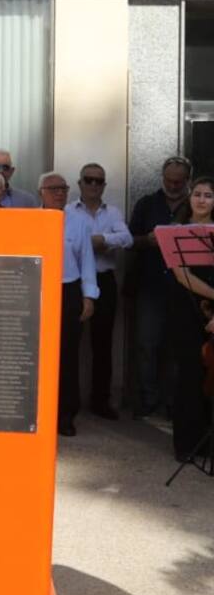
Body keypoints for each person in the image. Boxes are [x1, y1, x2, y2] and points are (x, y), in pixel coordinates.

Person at [129, 155, 192, 420]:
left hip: (186, 288)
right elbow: (129, 240)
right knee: (147, 345)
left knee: (179, 347)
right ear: (162, 178)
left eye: (179, 181)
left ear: (187, 180)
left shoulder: (195, 205)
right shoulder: (146, 204)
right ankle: (149, 400)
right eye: (169, 180)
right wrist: (148, 240)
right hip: (151, 285)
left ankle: (173, 402)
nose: (174, 185)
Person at [67, 163, 131, 420]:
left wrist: (101, 240)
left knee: (103, 344)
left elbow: (126, 239)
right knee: (69, 344)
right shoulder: (68, 211)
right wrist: (92, 243)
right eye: (88, 180)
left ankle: (100, 401)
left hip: (104, 281)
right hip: (75, 282)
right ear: (79, 183)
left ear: (104, 185)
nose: (93, 185)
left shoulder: (113, 212)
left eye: (98, 181)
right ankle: (66, 402)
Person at [40, 171, 97, 437]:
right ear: (41, 192)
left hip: (69, 290)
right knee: (38, 355)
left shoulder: (79, 222)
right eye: (52, 189)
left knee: (68, 356)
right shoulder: (31, 219)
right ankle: (39, 413)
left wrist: (88, 297)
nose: (59, 193)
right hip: (39, 291)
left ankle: (65, 415)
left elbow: (87, 261)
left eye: (62, 188)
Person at [166, 176, 214, 463]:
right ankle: (185, 444)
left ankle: (208, 443)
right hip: (186, 310)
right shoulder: (174, 232)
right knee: (188, 377)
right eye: (198, 194)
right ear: (189, 197)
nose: (202, 200)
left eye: (209, 195)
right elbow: (180, 274)